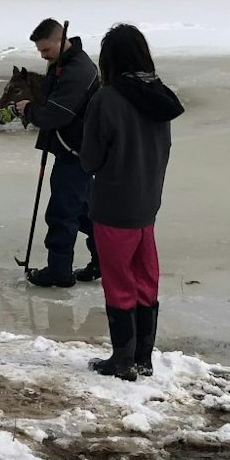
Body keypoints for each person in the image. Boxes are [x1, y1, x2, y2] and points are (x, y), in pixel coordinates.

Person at [75, 24, 184, 380]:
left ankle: (122, 359)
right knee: (145, 277)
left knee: (118, 279)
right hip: (148, 202)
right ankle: (143, 356)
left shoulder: (106, 99)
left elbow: (89, 159)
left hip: (113, 204)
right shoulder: (160, 95)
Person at [15, 18, 100, 287]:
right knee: (84, 211)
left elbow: (57, 113)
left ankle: (59, 272)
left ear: (62, 40)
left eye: (46, 50)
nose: (43, 56)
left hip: (75, 151)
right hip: (72, 149)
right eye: (40, 52)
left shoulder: (78, 69)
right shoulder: (63, 65)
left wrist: (28, 110)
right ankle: (104, 260)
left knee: (62, 212)